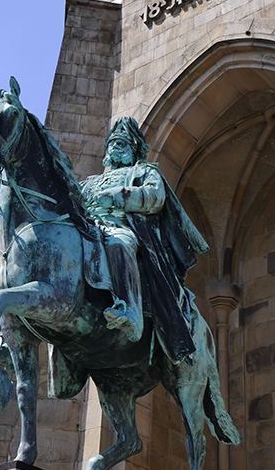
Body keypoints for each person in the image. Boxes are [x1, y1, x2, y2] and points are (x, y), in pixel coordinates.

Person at [78, 117, 209, 364]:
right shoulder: (91, 182)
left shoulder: (145, 172)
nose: (116, 148)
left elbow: (153, 197)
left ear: (134, 149)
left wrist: (116, 197)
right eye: (113, 143)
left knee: (119, 243)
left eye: (123, 144)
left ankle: (131, 311)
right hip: (89, 229)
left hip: (122, 227)